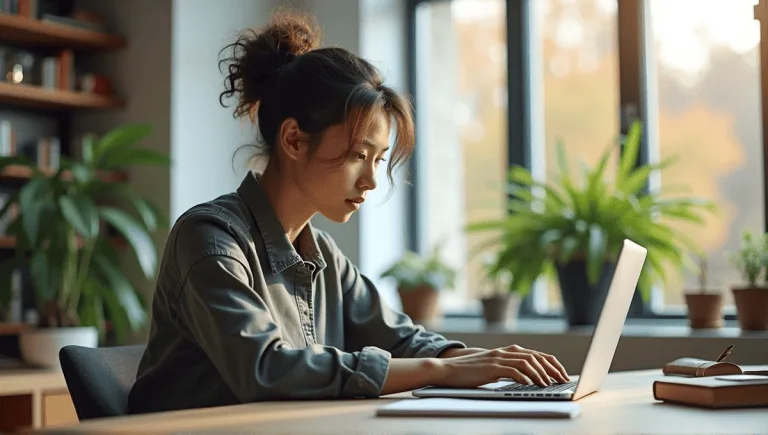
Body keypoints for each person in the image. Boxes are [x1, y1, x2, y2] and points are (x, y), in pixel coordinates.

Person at [127, 10, 570, 415]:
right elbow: (266, 368)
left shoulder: (323, 255)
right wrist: (443, 370)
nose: (371, 181)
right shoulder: (210, 238)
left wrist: (487, 363)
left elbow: (401, 339)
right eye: (359, 155)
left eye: (379, 160)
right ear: (294, 140)